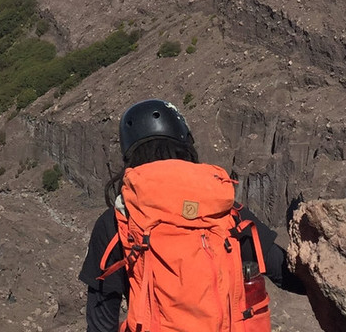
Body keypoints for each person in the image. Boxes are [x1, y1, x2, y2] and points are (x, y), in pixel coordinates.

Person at [78, 99, 303, 332]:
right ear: (185, 143)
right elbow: (285, 273)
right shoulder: (224, 210)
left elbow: (101, 323)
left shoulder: (117, 221)